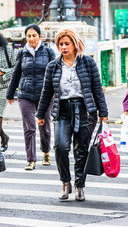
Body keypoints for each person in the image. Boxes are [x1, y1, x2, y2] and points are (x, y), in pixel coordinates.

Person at [36, 28, 108, 201]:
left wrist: (103, 112)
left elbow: (97, 89)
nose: (63, 47)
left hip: (85, 110)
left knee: (81, 150)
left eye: (67, 44)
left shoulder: (88, 63)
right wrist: (40, 113)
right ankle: (65, 181)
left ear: (75, 44)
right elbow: (46, 92)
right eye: (60, 44)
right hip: (62, 111)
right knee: (61, 147)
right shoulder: (53, 66)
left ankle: (79, 185)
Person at [6, 24, 55, 170]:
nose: (32, 38)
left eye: (34, 35)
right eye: (29, 36)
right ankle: (31, 159)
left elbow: (55, 72)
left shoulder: (48, 52)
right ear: (25, 38)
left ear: (40, 36)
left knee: (44, 126)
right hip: (25, 94)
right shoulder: (22, 53)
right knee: (29, 127)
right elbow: (16, 73)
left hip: (45, 95)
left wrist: (55, 91)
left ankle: (46, 152)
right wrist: (10, 93)